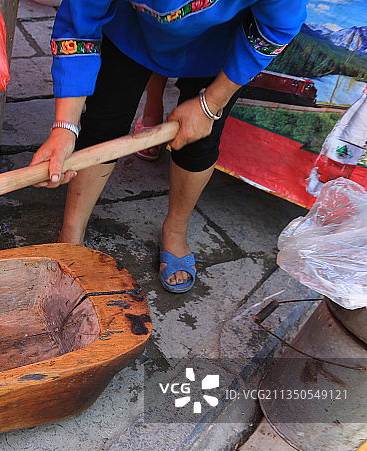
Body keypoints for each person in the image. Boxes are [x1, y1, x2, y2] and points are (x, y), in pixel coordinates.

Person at [31, 0, 305, 293]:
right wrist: (64, 128)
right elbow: (78, 23)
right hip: (130, 31)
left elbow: (279, 26)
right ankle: (72, 231)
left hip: (217, 44)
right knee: (103, 123)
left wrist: (211, 103)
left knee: (198, 140)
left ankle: (175, 229)